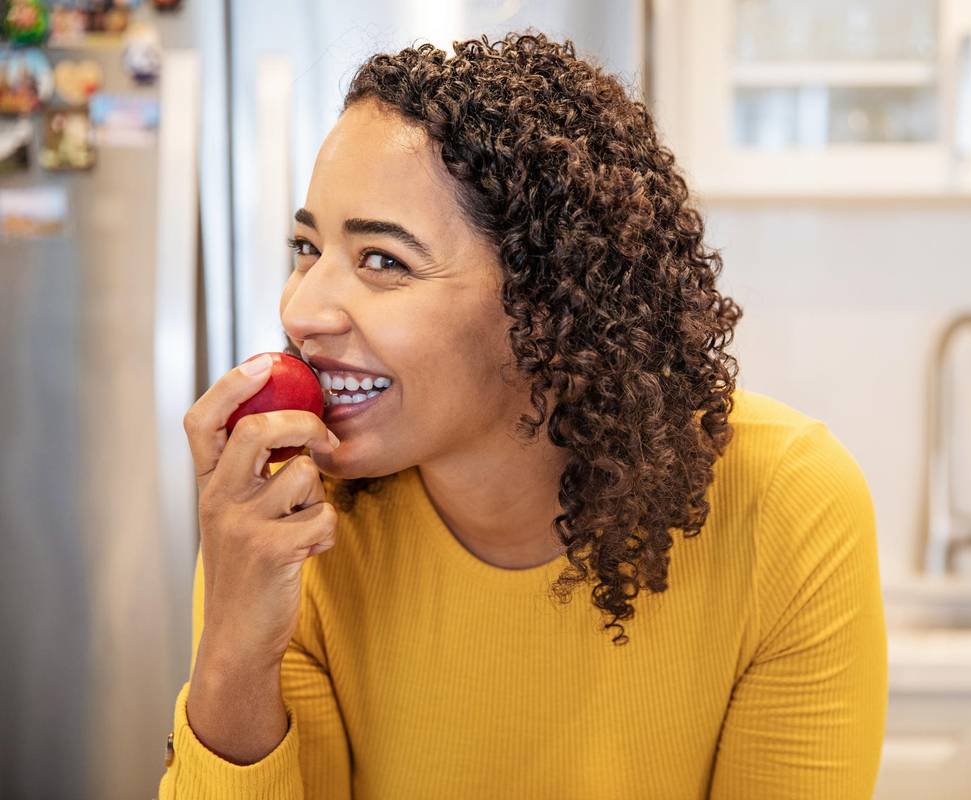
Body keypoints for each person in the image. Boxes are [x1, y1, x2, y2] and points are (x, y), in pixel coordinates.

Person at [158, 31, 887, 799]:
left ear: (549, 299)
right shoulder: (284, 523)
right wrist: (233, 650)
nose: (300, 310)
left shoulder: (783, 507)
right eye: (307, 248)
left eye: (383, 261)